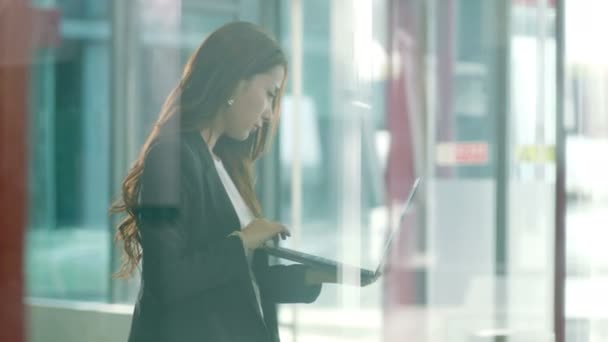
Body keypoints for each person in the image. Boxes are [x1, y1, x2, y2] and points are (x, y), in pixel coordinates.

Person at [110, 21, 336, 342]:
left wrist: (322, 273)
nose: (271, 113)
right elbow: (167, 279)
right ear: (234, 83)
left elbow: (241, 281)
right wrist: (242, 241)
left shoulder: (224, 164)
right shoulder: (170, 158)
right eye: (269, 93)